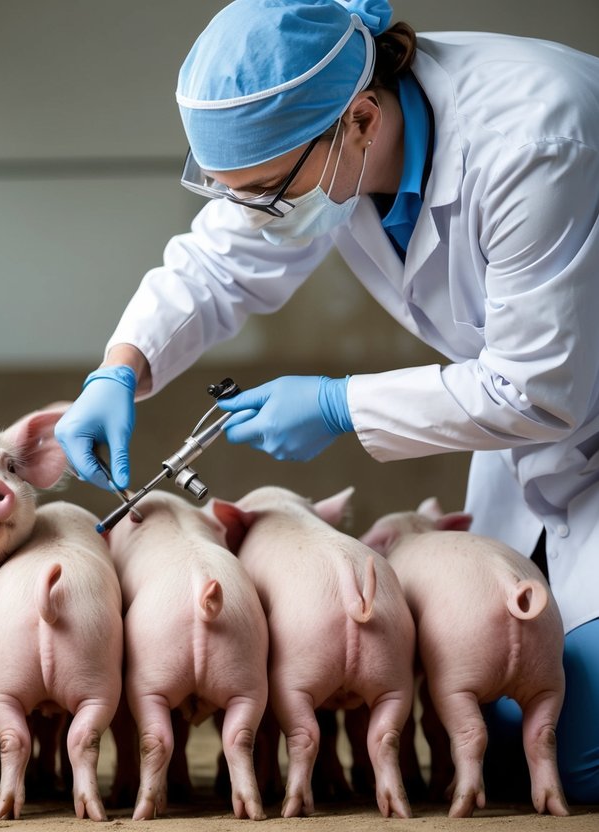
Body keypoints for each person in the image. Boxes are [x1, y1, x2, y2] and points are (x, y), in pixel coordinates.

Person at [55, 0, 599, 806]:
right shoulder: (331, 153)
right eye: (234, 191)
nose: (256, 210)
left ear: (361, 120)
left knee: (578, 764)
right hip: (536, 436)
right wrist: (118, 368)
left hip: (548, 399)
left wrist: (339, 405)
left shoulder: (536, 138)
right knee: (514, 748)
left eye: (267, 189)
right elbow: (218, 261)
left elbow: (533, 386)